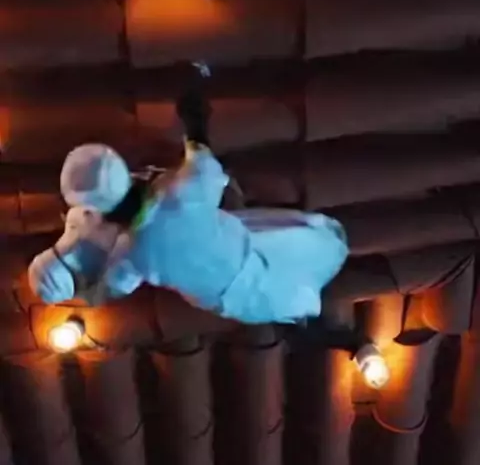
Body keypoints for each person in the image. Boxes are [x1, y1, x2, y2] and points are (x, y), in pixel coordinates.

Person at [28, 95, 349, 324]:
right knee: (313, 247)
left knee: (295, 287)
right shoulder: (180, 193)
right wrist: (194, 116)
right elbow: (203, 158)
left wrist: (82, 291)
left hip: (229, 297)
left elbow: (112, 287)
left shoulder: (130, 252)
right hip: (254, 252)